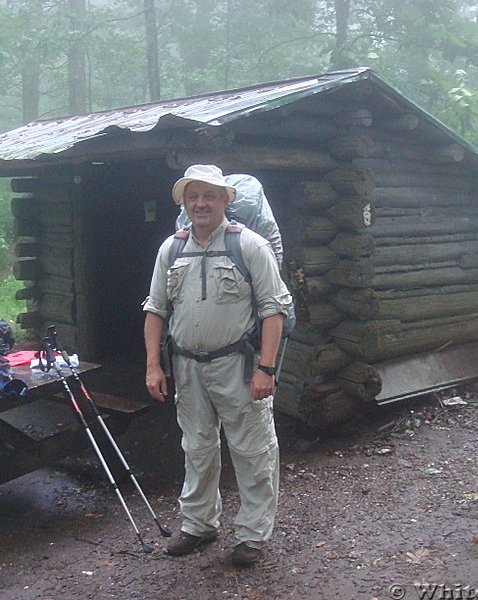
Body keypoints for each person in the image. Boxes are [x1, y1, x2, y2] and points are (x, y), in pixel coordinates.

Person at [142, 164, 293, 567]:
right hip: (187, 367)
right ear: (185, 203)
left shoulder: (250, 245)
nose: (201, 203)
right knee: (196, 447)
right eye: (193, 196)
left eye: (209, 195)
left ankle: (252, 535)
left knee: (253, 450)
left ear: (226, 200)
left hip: (237, 366)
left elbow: (274, 310)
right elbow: (156, 309)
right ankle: (197, 525)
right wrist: (153, 366)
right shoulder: (171, 249)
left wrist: (266, 368)